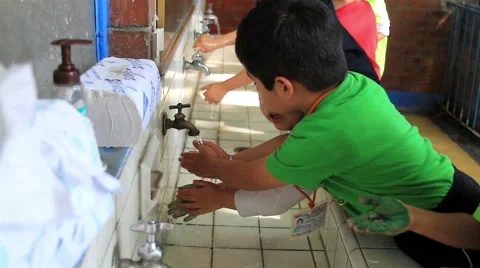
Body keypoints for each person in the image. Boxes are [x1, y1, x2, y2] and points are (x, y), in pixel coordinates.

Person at [178, 0, 480, 266]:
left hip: (447, 218)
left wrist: (214, 168)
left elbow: (259, 179)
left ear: (283, 86)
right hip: (441, 191)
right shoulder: (353, 86)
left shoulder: (332, 131)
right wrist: (230, 163)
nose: (256, 89)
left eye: (255, 83)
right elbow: (291, 144)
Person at [193, 0, 379, 104]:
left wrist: (225, 86)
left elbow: (272, 50)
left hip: (346, 93)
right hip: (345, 89)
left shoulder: (349, 14)